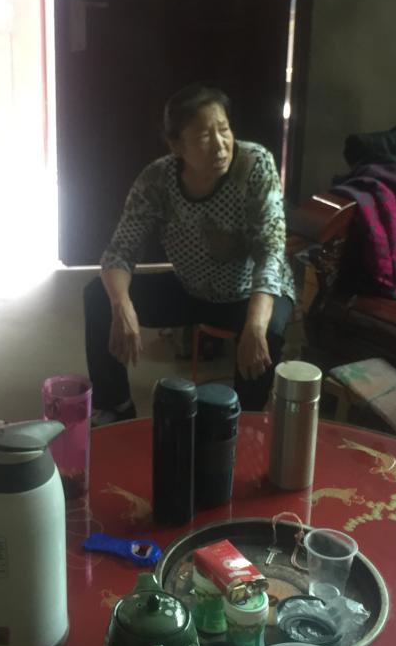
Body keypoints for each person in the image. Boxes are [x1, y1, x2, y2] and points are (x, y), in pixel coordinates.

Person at [84, 84, 296, 424]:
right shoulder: (157, 179)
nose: (221, 144)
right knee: (99, 295)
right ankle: (115, 405)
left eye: (224, 130)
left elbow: (270, 252)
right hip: (192, 288)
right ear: (176, 146)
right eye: (204, 136)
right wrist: (122, 306)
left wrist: (255, 325)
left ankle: (244, 422)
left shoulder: (254, 164)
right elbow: (120, 251)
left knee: (266, 333)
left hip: (251, 292)